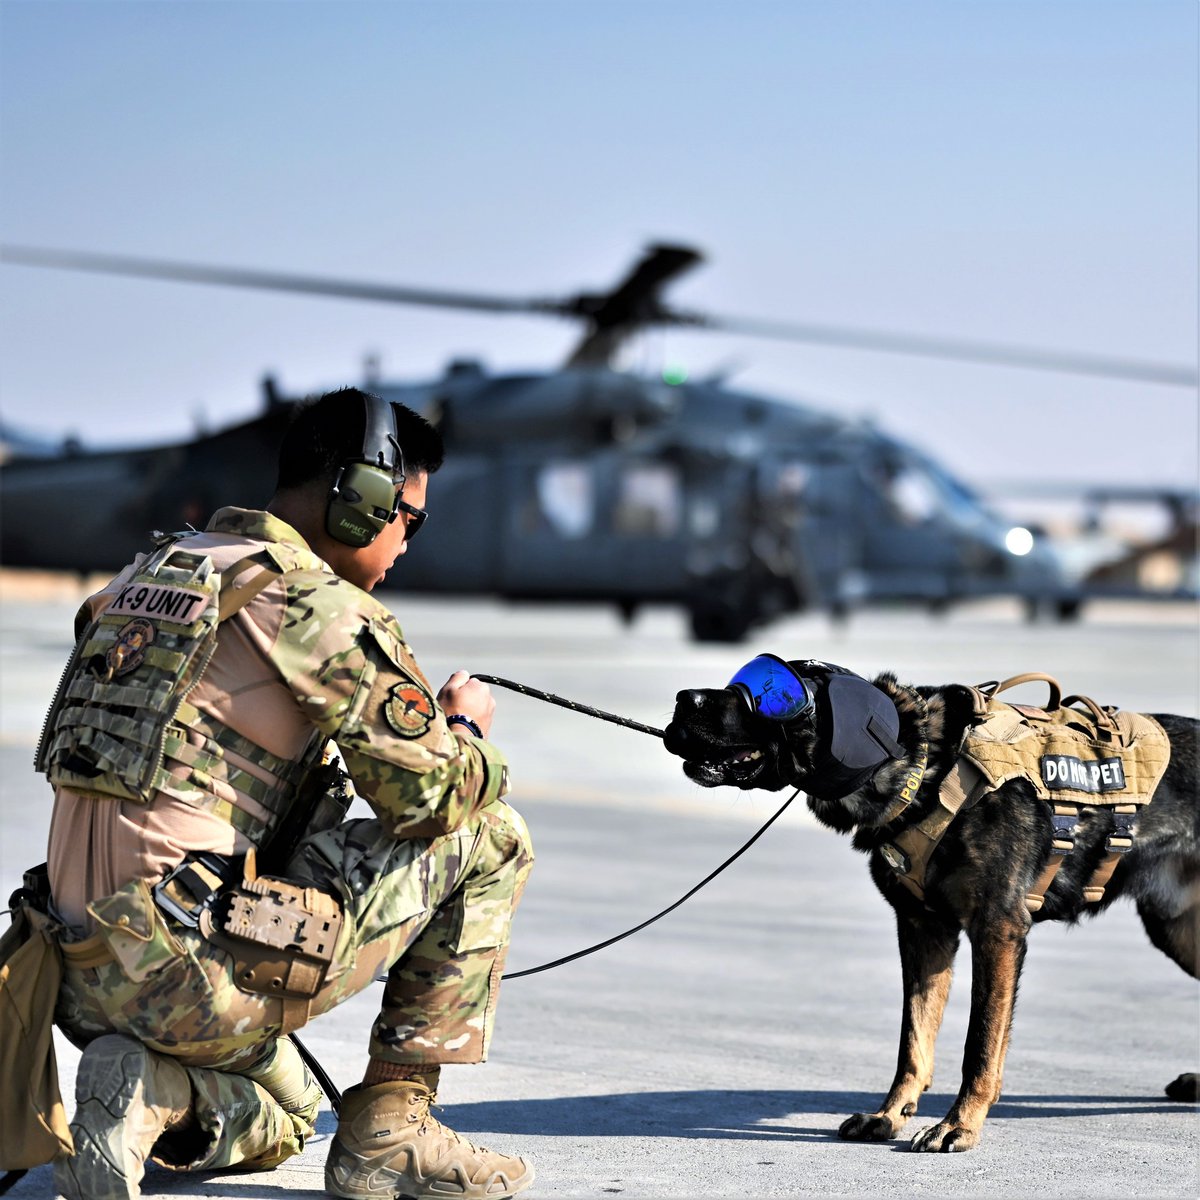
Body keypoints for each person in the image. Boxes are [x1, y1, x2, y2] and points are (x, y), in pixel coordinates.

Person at [37, 387, 536, 1200]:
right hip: (190, 975)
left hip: (75, 973)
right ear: (359, 500)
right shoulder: (312, 604)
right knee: (491, 834)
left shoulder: (149, 574)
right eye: (409, 518)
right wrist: (463, 730)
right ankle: (392, 1129)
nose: (408, 542)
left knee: (292, 1114)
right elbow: (431, 800)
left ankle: (149, 1095)